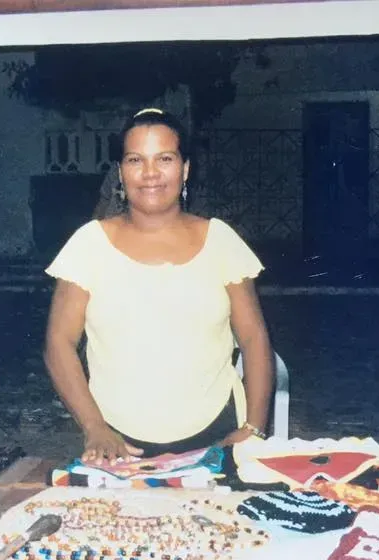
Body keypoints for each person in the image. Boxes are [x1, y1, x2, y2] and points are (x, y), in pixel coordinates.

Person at [43, 107, 274, 463]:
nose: (150, 173)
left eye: (164, 158)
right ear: (121, 172)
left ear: (185, 169)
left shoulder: (221, 240)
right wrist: (95, 428)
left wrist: (254, 428)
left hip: (218, 435)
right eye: (136, 160)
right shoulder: (89, 244)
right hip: (118, 442)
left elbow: (255, 338)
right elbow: (58, 343)